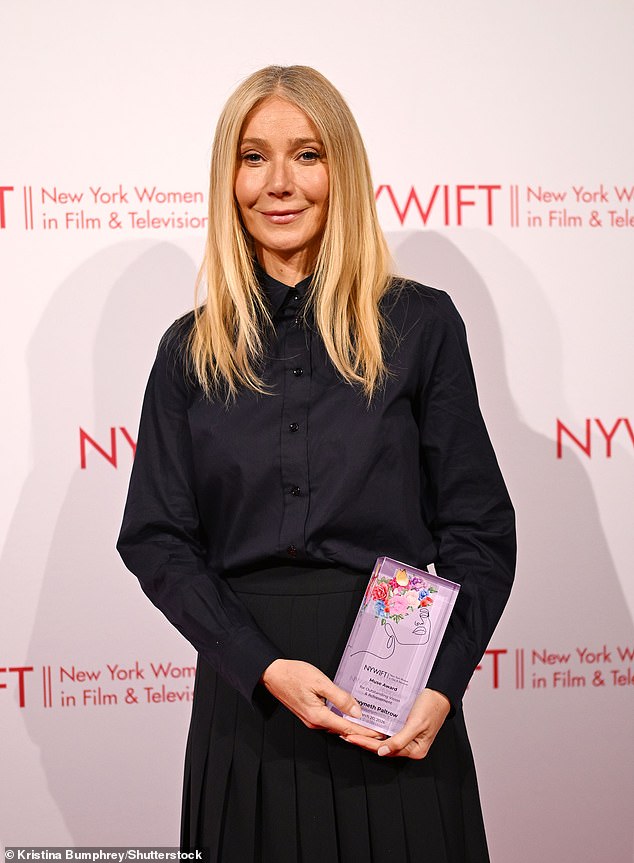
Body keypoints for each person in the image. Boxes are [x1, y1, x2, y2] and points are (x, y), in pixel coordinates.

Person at [117, 65, 516, 863]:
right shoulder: (188, 350)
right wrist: (261, 666)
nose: (279, 182)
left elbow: (479, 530)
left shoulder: (422, 325)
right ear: (229, 178)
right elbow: (156, 538)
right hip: (249, 701)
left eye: (306, 154)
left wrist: (442, 682)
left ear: (343, 170)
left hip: (396, 704)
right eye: (253, 156)